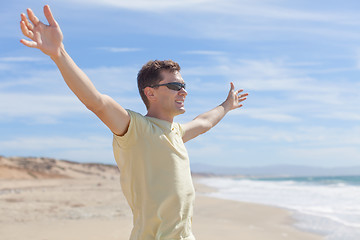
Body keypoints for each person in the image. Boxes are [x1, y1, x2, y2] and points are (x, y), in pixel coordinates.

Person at [20, 5, 248, 240]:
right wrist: (59, 54)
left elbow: (205, 122)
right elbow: (96, 102)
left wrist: (226, 105)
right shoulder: (136, 129)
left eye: (184, 86)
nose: (184, 92)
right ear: (150, 93)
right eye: (175, 86)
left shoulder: (176, 132)